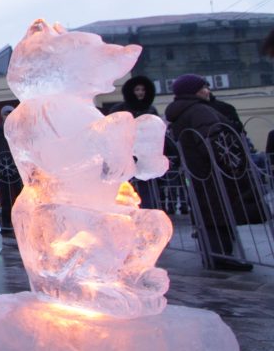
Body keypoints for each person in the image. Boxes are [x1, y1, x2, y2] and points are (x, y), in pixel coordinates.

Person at [165, 74, 255, 271]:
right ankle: (221, 257)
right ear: (193, 92)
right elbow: (213, 140)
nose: (208, 91)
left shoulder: (181, 112)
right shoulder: (199, 111)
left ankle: (216, 255)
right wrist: (231, 164)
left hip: (197, 173)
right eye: (203, 88)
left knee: (208, 214)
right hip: (213, 173)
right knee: (218, 213)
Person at [107, 76, 161, 208]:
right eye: (137, 89)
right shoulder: (119, 109)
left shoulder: (151, 109)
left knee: (147, 185)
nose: (141, 92)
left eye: (143, 89)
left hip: (145, 153)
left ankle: (148, 208)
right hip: (124, 153)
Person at [0, 104, 19, 231]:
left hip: (16, 168)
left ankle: (19, 220)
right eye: (6, 114)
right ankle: (6, 222)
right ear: (2, 116)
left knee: (19, 194)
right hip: (3, 169)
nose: (8, 116)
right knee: (5, 196)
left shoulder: (19, 131)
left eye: (10, 113)